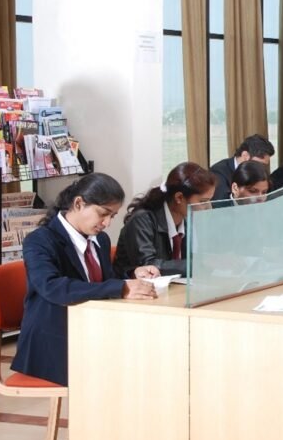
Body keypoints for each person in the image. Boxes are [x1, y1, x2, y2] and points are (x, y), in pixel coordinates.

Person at [13, 174, 160, 386]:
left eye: (113, 216)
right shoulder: (39, 241)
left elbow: (101, 281)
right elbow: (52, 287)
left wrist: (133, 274)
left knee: (151, 356)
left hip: (93, 331)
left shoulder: (99, 238)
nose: (107, 223)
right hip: (56, 341)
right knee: (132, 370)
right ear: (79, 203)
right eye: (103, 214)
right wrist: (121, 287)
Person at [113, 162, 217, 277]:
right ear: (179, 198)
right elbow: (149, 266)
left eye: (209, 201)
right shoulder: (142, 220)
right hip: (130, 291)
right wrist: (199, 264)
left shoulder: (187, 219)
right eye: (203, 202)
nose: (207, 207)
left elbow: (194, 258)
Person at [210, 134, 275, 200]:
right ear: (245, 155)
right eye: (258, 163)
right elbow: (222, 203)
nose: (261, 168)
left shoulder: (262, 174)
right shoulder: (218, 172)